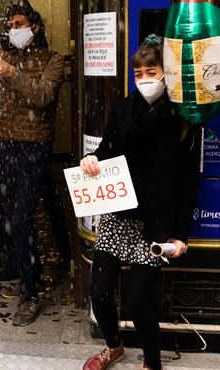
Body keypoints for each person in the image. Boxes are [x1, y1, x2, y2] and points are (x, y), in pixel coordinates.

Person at [80, 36, 201, 370]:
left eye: (152, 71)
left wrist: (180, 236)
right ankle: (113, 346)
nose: (145, 79)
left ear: (166, 73)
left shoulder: (183, 119)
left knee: (136, 301)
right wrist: (92, 159)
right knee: (101, 293)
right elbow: (106, 150)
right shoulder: (123, 109)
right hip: (119, 216)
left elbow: (189, 183)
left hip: (155, 225)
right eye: (139, 73)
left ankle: (152, 362)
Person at [0, 0, 64, 326]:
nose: (14, 30)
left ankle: (31, 291)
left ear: (35, 27)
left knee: (23, 217)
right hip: (7, 147)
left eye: (19, 23)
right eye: (10, 25)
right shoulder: (6, 56)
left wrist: (12, 72)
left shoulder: (53, 60)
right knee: (11, 216)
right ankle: (27, 266)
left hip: (35, 150)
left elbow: (42, 96)